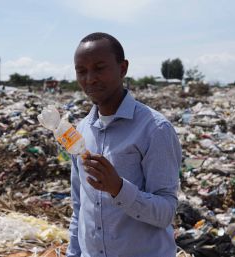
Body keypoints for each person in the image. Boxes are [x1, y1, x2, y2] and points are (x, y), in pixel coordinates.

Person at [67, 32, 182, 257]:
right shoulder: (81, 132)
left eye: (99, 68)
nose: (90, 79)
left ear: (122, 68)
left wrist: (118, 188)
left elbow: (166, 212)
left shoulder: (154, 129)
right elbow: (80, 207)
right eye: (82, 71)